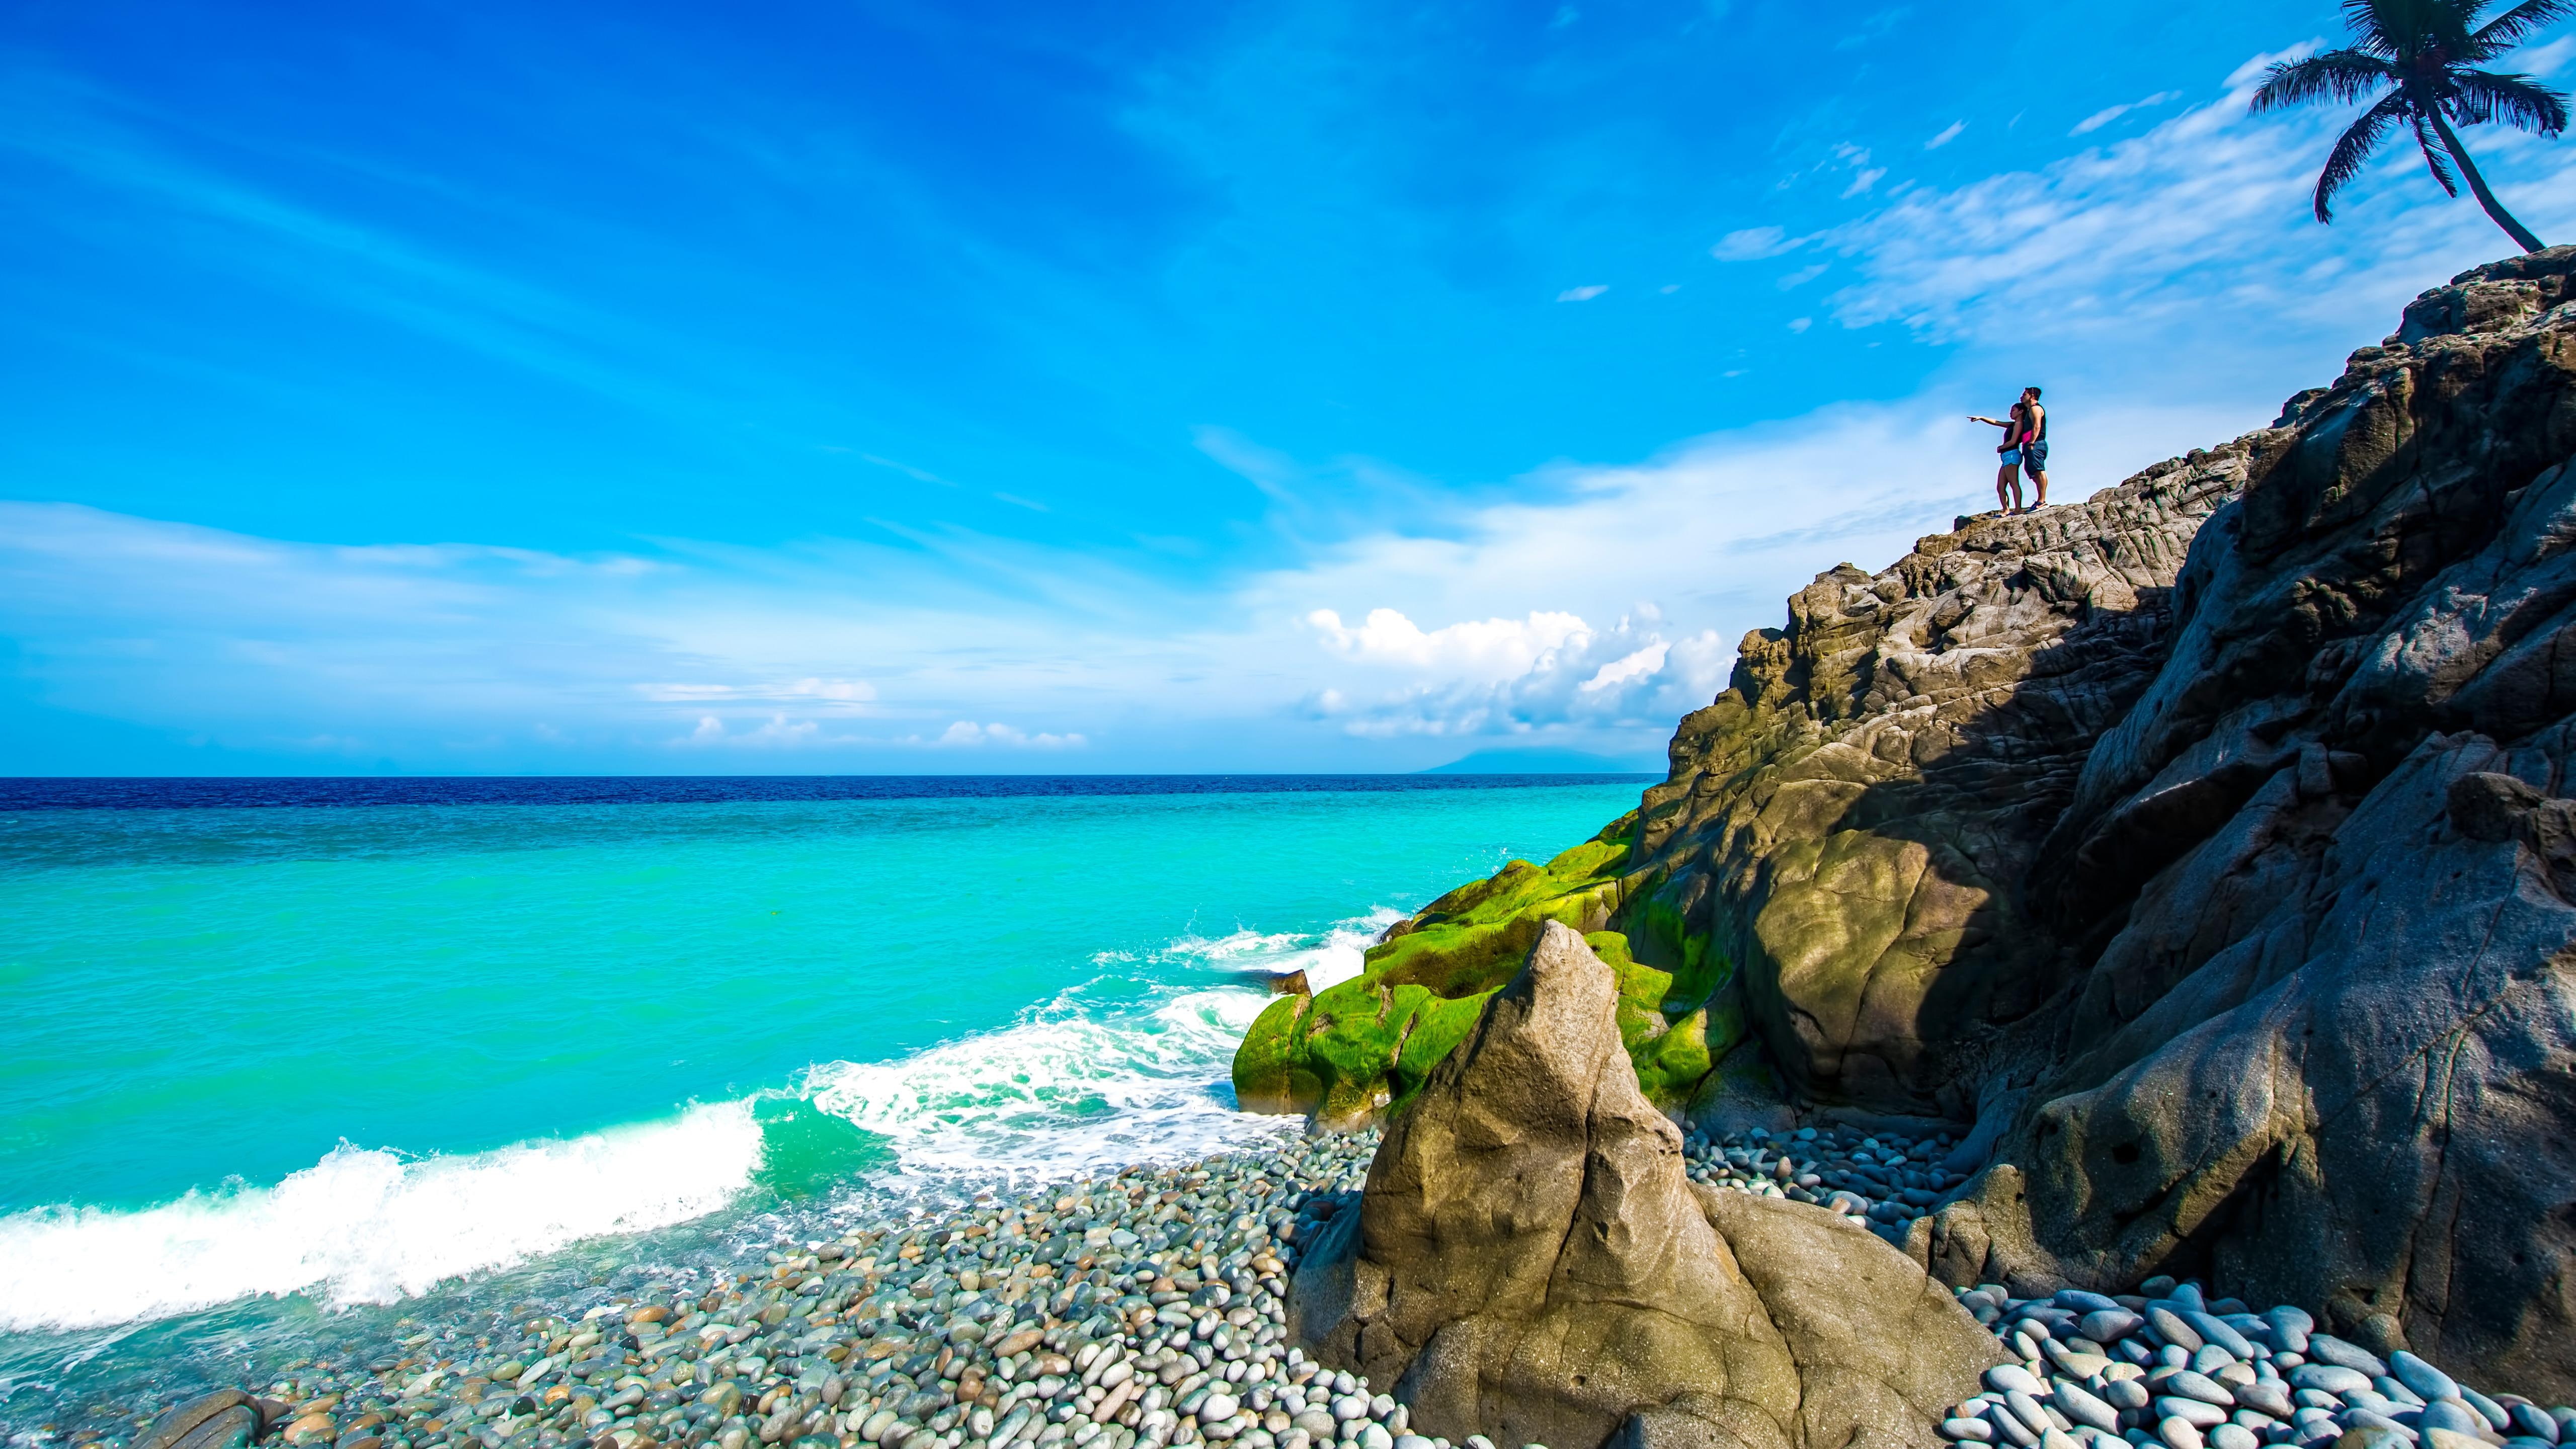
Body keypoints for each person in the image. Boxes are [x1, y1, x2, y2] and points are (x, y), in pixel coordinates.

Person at [1969, 387, 2050, 514]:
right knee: (2034, 473)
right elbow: (1997, 423)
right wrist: (1982, 417)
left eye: (2024, 395)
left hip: (2034, 444)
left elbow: (2037, 426)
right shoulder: (2025, 415)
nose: (2021, 397)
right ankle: (2038, 501)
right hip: (2027, 446)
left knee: (2038, 471)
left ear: (2032, 395)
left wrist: (2032, 442)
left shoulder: (2035, 409)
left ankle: (2041, 501)